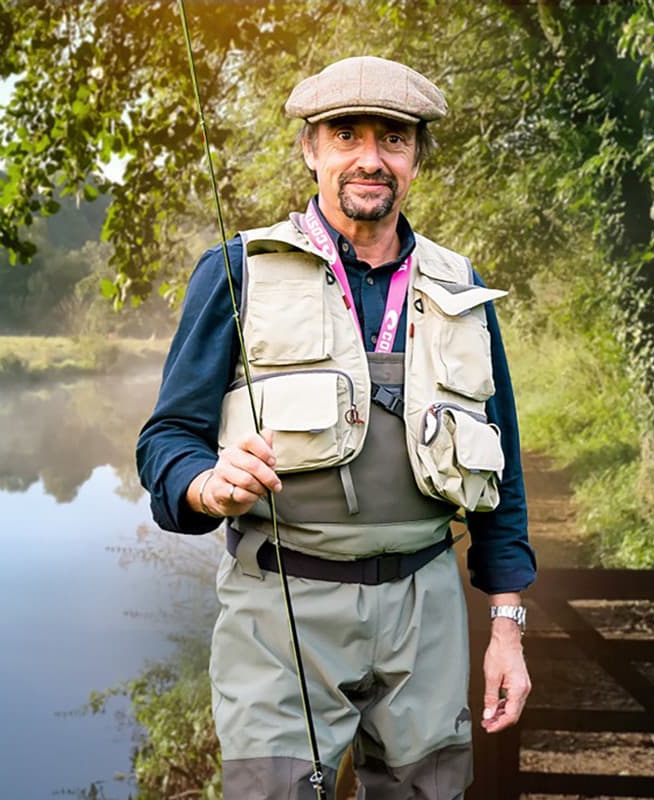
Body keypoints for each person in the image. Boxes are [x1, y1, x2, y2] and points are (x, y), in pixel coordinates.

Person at [136, 56, 537, 799]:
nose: (370, 158)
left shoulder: (463, 286)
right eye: (346, 134)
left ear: (416, 156)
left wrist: (506, 627)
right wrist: (203, 483)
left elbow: (502, 467)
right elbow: (166, 441)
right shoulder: (237, 269)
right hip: (279, 605)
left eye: (394, 138)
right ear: (311, 149)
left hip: (429, 609)